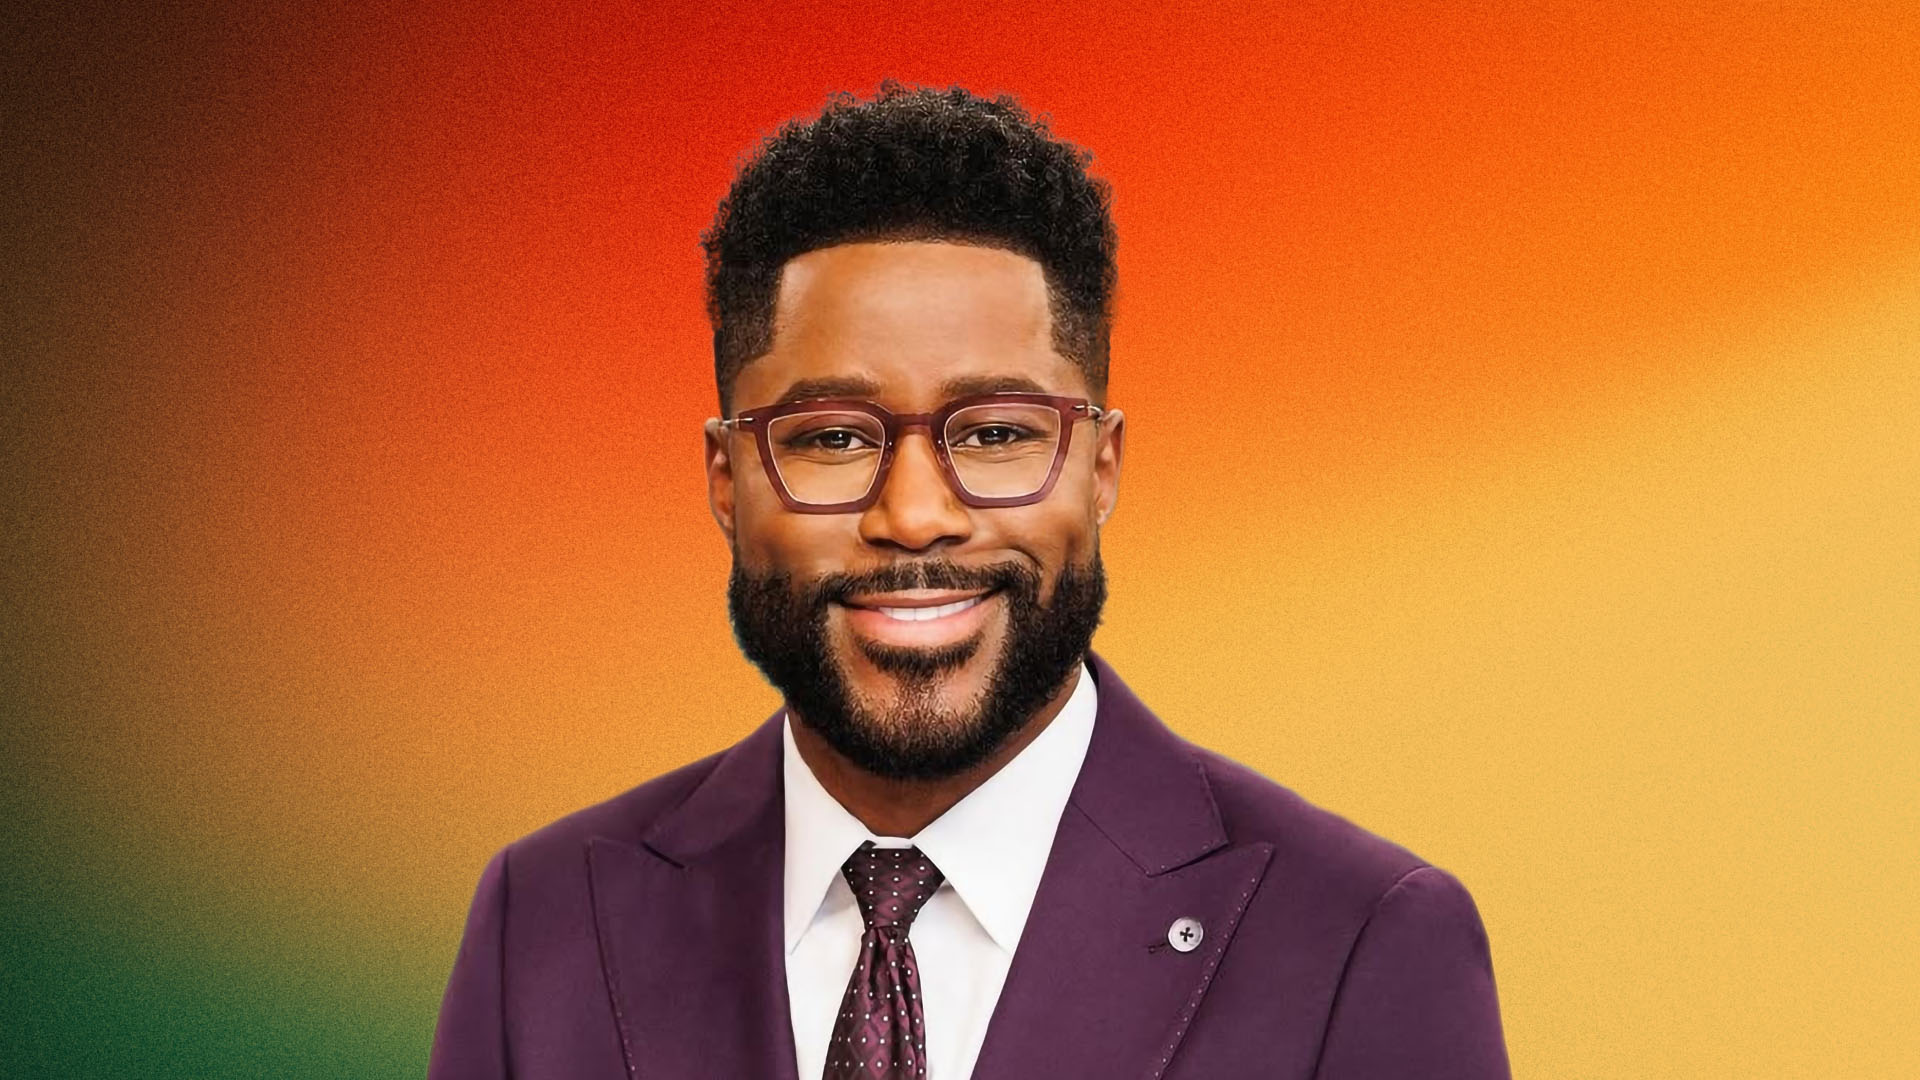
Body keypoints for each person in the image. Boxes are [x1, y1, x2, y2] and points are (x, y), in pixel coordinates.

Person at [429, 84, 1509, 1080]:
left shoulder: (1361, 940)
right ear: (728, 478)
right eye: (832, 438)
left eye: (995, 432)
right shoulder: (547, 915)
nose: (913, 515)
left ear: (1101, 468)